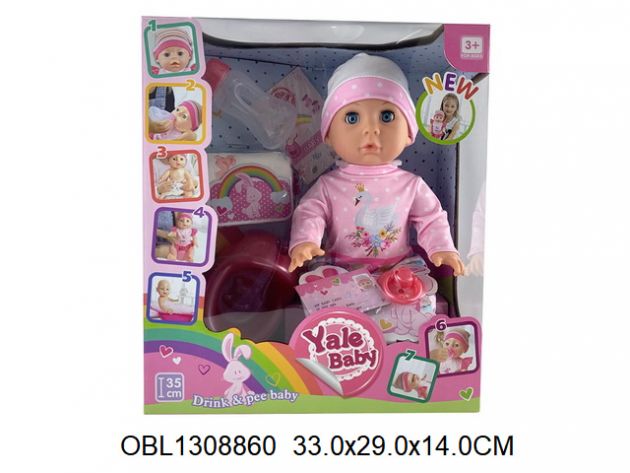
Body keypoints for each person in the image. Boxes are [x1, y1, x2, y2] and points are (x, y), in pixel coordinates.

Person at [288, 53, 463, 276]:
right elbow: (309, 212)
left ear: (409, 133)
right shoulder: (327, 186)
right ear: (329, 135)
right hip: (341, 270)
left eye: (387, 116)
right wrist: (305, 241)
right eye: (352, 118)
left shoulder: (411, 185)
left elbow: (431, 218)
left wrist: (442, 248)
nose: (371, 129)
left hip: (398, 270)